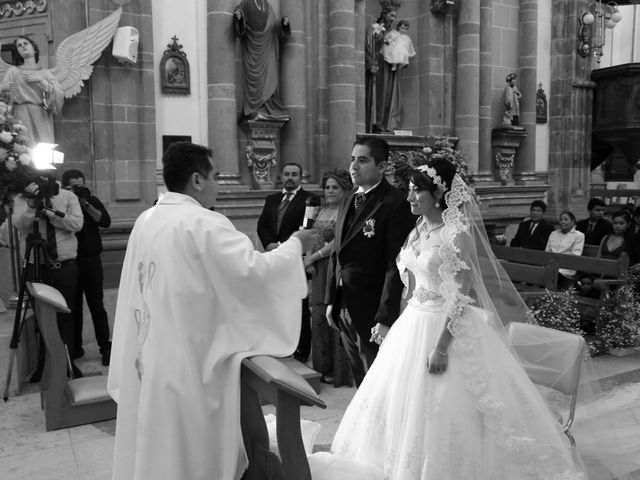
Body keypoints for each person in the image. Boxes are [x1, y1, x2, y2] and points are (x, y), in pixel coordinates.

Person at [316, 159, 587, 479]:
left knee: (445, 408)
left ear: (439, 193)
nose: (410, 197)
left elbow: (460, 297)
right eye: (410, 190)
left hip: (446, 329)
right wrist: (394, 324)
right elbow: (409, 284)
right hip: (413, 324)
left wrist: (442, 348)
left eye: (418, 191)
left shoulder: (457, 236)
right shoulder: (417, 229)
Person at [107, 142, 318, 480]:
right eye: (215, 176)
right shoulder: (204, 223)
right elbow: (253, 272)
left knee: (160, 442)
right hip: (192, 362)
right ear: (197, 180)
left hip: (152, 355)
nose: (218, 184)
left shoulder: (147, 219)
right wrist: (296, 245)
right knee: (192, 447)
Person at [326, 136, 415, 386]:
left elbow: (395, 264)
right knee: (359, 378)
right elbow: (339, 254)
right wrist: (332, 299)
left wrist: (385, 317)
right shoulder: (349, 198)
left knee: (377, 378)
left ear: (382, 167)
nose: (354, 166)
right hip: (345, 303)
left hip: (372, 307)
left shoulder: (395, 203)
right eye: (352, 159)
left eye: (363, 160)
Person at [11, 169, 84, 378]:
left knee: (65, 316)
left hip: (65, 266)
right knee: (42, 317)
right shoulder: (23, 198)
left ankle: (67, 362)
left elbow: (77, 224)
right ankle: (44, 364)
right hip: (38, 266)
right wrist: (33, 206)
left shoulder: (68, 196)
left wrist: (50, 214)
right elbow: (19, 224)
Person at [257, 162, 319, 362]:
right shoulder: (272, 199)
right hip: (274, 258)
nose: (290, 178)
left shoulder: (310, 199)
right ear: (281, 177)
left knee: (299, 305)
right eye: (286, 174)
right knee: (276, 303)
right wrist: (269, 245)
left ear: (301, 177)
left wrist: (287, 246)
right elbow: (263, 226)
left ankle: (302, 351)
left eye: (294, 174)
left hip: (295, 260)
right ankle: (281, 346)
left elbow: (308, 229)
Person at [304, 169, 353, 386]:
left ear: (345, 190)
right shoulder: (319, 211)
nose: (330, 191)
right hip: (318, 270)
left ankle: (338, 371)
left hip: (334, 266)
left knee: (332, 316)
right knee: (317, 318)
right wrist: (308, 259)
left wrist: (314, 256)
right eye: (327, 187)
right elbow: (309, 235)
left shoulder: (347, 212)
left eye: (335, 187)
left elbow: (338, 242)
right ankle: (321, 369)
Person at [61, 169, 112, 366]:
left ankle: (105, 347)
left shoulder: (91, 200)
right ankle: (75, 347)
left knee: (97, 306)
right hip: (71, 262)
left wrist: (85, 203)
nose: (77, 189)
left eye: (80, 185)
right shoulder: (61, 202)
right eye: (72, 186)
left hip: (91, 261)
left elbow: (105, 222)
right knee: (73, 309)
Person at [233, 0, 291, 121]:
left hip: (267, 48)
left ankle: (268, 107)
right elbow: (240, 20)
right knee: (255, 79)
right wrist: (239, 18)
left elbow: (273, 24)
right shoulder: (246, 4)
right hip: (252, 49)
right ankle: (256, 109)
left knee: (270, 77)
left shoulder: (268, 6)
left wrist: (283, 24)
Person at [0, 36, 63, 145]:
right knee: (24, 147)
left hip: (41, 114)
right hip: (20, 113)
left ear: (34, 48)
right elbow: (2, 92)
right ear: (18, 52)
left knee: (44, 147)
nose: (23, 46)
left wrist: (41, 81)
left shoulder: (45, 73)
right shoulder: (13, 71)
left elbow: (58, 93)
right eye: (19, 45)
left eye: (25, 43)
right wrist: (5, 89)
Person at [365, 4, 397, 133]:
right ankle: (375, 122)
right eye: (391, 15)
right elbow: (368, 46)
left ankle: (385, 123)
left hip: (388, 67)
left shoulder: (393, 33)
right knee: (378, 93)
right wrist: (371, 62)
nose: (393, 19)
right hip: (378, 65)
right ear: (384, 14)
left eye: (394, 16)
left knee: (387, 94)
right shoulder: (374, 28)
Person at [545, 210, 585, 288]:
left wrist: (557, 263)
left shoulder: (579, 235)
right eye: (561, 219)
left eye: (566, 219)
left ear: (572, 222)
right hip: (551, 266)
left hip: (567, 267)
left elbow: (575, 255)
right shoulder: (553, 233)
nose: (562, 222)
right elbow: (547, 252)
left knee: (553, 273)